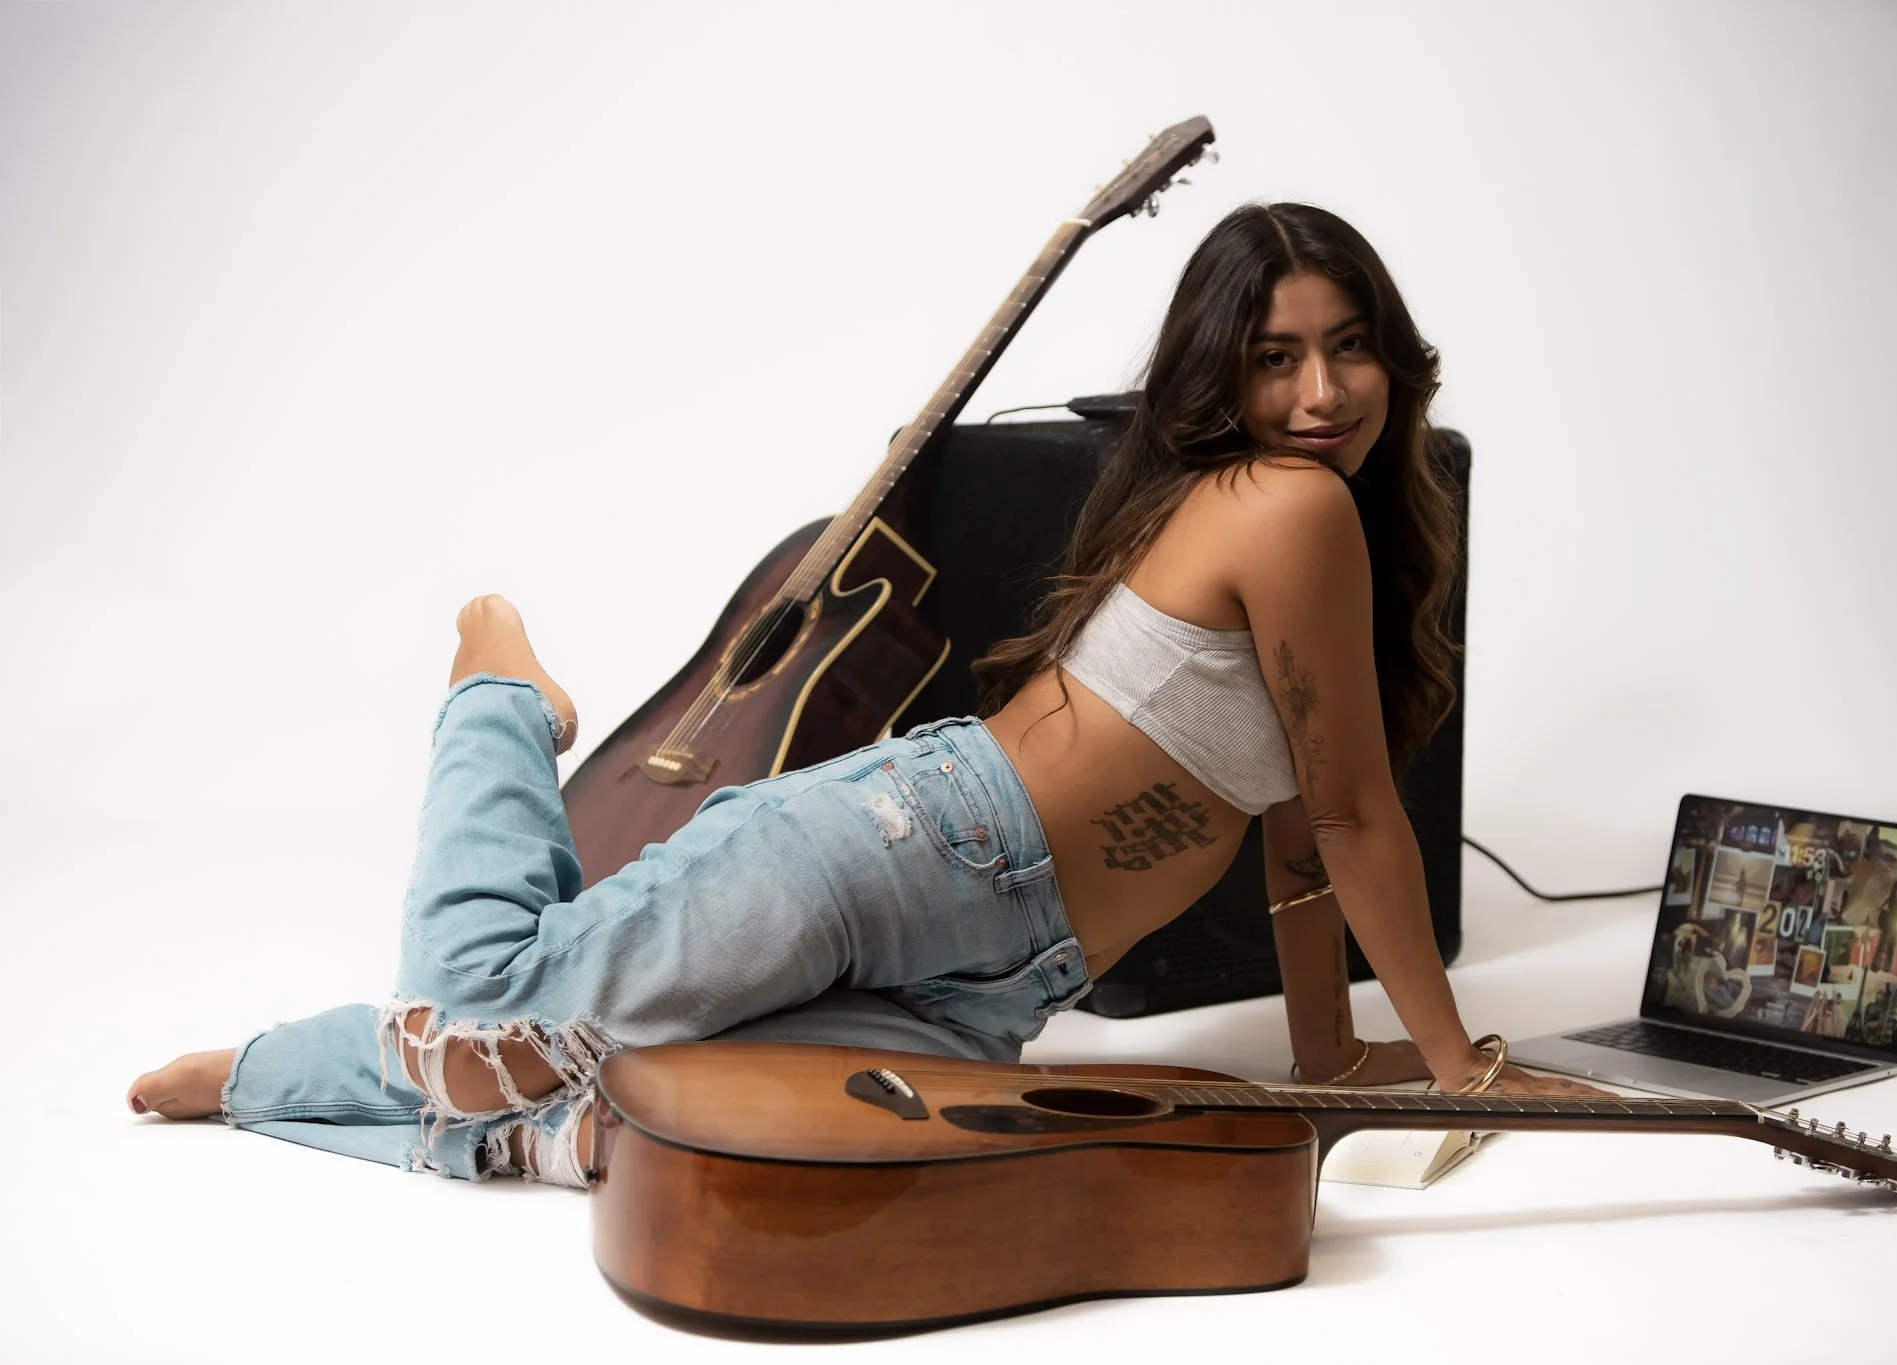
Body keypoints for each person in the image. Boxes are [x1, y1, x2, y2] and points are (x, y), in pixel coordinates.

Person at [127, 202, 1604, 1187]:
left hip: (1008, 987)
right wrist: (1466, 1068)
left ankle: (288, 1084)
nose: (1322, 394)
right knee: (491, 1011)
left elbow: (1298, 820)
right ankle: (494, 684)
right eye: (1276, 359)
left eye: (1348, 348)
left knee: (628, 1129)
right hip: (903, 852)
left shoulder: (1317, 521)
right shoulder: (1287, 505)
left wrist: (1336, 1053)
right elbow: (1355, 816)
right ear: (1224, 375)